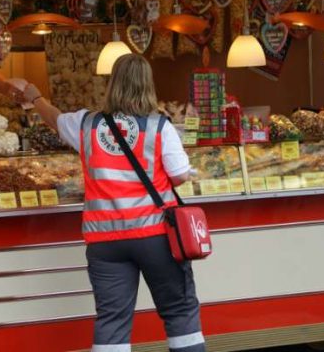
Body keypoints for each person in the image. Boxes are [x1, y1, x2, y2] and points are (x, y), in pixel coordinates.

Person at [23, 54, 205, 352]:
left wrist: (36, 98)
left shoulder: (87, 124)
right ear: (148, 84)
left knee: (112, 321)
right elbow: (179, 175)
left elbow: (54, 119)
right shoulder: (160, 127)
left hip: (105, 242)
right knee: (180, 311)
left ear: (113, 84)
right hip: (155, 236)